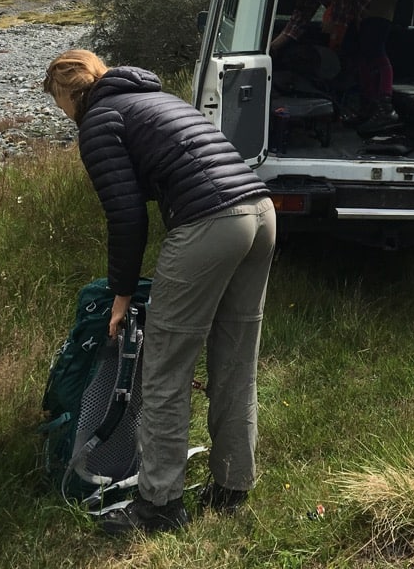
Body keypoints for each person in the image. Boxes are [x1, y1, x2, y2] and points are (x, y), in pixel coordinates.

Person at [43, 50, 276, 534]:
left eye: (57, 102)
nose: (61, 113)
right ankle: (232, 486)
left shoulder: (100, 121)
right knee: (235, 361)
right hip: (259, 211)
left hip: (211, 222)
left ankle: (158, 507)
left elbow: (126, 216)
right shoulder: (153, 99)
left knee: (164, 370)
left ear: (68, 93)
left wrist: (121, 295)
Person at [270, 0, 403, 136]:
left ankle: (385, 109)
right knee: (360, 52)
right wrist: (273, 46)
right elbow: (301, 16)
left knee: (373, 46)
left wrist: (337, 28)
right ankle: (368, 108)